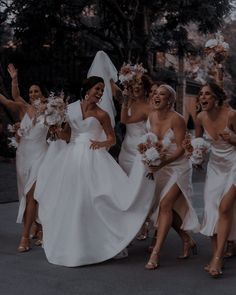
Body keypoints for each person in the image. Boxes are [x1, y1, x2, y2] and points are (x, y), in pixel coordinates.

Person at [34, 76, 156, 267]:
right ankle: (70, 244)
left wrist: (101, 143)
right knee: (69, 199)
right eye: (97, 89)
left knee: (92, 199)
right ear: (87, 89)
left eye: (101, 90)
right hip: (71, 157)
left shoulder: (102, 114)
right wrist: (54, 127)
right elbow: (67, 135)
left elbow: (112, 139)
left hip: (93, 156)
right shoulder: (70, 108)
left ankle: (95, 244)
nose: (99, 93)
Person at [145, 84, 199, 270]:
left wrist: (162, 162)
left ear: (170, 100)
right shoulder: (151, 116)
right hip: (161, 167)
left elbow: (181, 148)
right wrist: (148, 155)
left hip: (178, 167)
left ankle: (156, 253)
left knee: (165, 205)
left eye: (162, 94)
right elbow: (151, 142)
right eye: (156, 93)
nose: (157, 96)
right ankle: (187, 239)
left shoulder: (178, 119)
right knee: (169, 209)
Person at [0, 80, 48, 252]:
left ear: (43, 93)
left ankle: (25, 236)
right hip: (23, 156)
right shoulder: (23, 108)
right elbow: (8, 100)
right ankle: (39, 226)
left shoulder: (51, 111)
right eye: (31, 92)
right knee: (26, 194)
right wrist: (13, 79)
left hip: (40, 155)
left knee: (31, 195)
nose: (33, 94)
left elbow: (58, 133)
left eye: (36, 91)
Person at [194, 82, 236, 278]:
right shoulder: (200, 117)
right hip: (215, 168)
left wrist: (233, 138)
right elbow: (198, 143)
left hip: (234, 165)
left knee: (225, 208)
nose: (203, 97)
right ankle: (217, 251)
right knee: (211, 208)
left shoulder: (231, 115)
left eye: (208, 94)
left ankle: (217, 258)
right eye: (201, 94)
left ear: (216, 98)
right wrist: (196, 156)